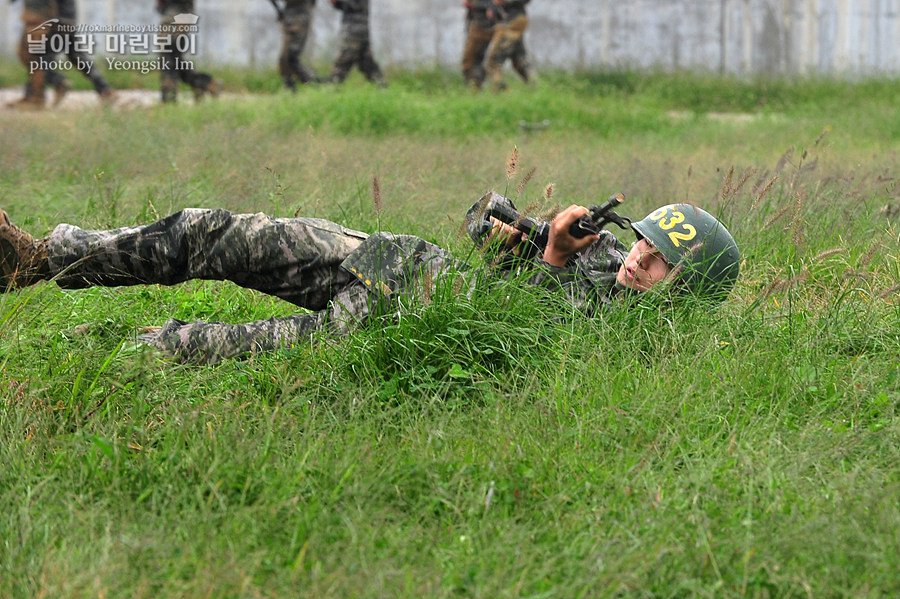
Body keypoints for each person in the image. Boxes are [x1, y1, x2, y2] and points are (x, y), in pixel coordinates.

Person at [0, 194, 739, 364]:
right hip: (398, 264)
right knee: (210, 230)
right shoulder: (605, 259)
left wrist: (546, 263)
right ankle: (40, 260)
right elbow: (477, 230)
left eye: (660, 260)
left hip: (394, 324)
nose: (639, 257)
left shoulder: (636, 344)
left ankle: (104, 363)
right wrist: (525, 232)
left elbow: (524, 333)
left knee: (202, 346)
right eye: (643, 241)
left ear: (690, 286)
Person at [155, 0, 223, 103]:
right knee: (173, 59)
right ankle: (206, 84)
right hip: (177, 13)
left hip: (177, 13)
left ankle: (168, 100)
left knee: (167, 55)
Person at [8, 0, 60, 110]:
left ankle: (37, 99)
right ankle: (32, 96)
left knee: (34, 60)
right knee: (27, 57)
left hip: (38, 20)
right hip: (33, 19)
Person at [328, 0, 387, 86]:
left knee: (343, 61)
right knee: (367, 63)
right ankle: (382, 85)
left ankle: (332, 86)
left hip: (354, 32)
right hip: (358, 30)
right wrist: (336, 3)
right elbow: (347, 6)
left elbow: (354, 5)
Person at [484, 0, 536, 92]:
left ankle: (500, 93)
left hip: (512, 22)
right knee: (519, 59)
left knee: (494, 62)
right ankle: (536, 87)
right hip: (511, 21)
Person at [275, 0, 322, 91]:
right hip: (291, 22)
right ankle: (289, 89)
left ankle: (316, 84)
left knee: (291, 59)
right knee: (284, 61)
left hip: (298, 22)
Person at [461, 0, 496, 90]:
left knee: (470, 61)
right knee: (475, 60)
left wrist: (475, 5)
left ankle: (476, 88)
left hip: (481, 26)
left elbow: (493, 4)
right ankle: (478, 87)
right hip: (479, 24)